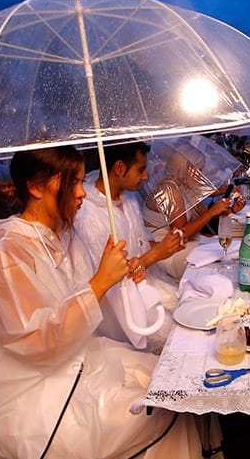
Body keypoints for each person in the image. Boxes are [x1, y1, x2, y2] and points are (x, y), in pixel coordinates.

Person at [0, 147, 212, 459]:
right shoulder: (8, 251)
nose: (82, 193)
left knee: (175, 381)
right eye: (74, 182)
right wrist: (100, 281)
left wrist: (119, 273)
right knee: (164, 403)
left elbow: (78, 300)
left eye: (82, 181)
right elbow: (37, 343)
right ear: (35, 187)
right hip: (36, 389)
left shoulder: (59, 233)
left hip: (81, 361)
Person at [75, 141, 184, 352]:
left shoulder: (130, 197)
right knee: (176, 335)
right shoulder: (87, 214)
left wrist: (166, 245)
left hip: (149, 283)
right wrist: (154, 255)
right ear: (119, 168)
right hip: (124, 307)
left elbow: (141, 242)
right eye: (141, 170)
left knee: (193, 302)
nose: (145, 177)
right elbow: (110, 280)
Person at [142, 146, 245, 279]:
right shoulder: (168, 190)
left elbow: (205, 218)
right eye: (200, 169)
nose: (202, 174)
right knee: (224, 250)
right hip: (166, 253)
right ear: (185, 168)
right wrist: (211, 213)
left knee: (230, 247)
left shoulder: (184, 187)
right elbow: (180, 234)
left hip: (181, 246)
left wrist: (231, 209)